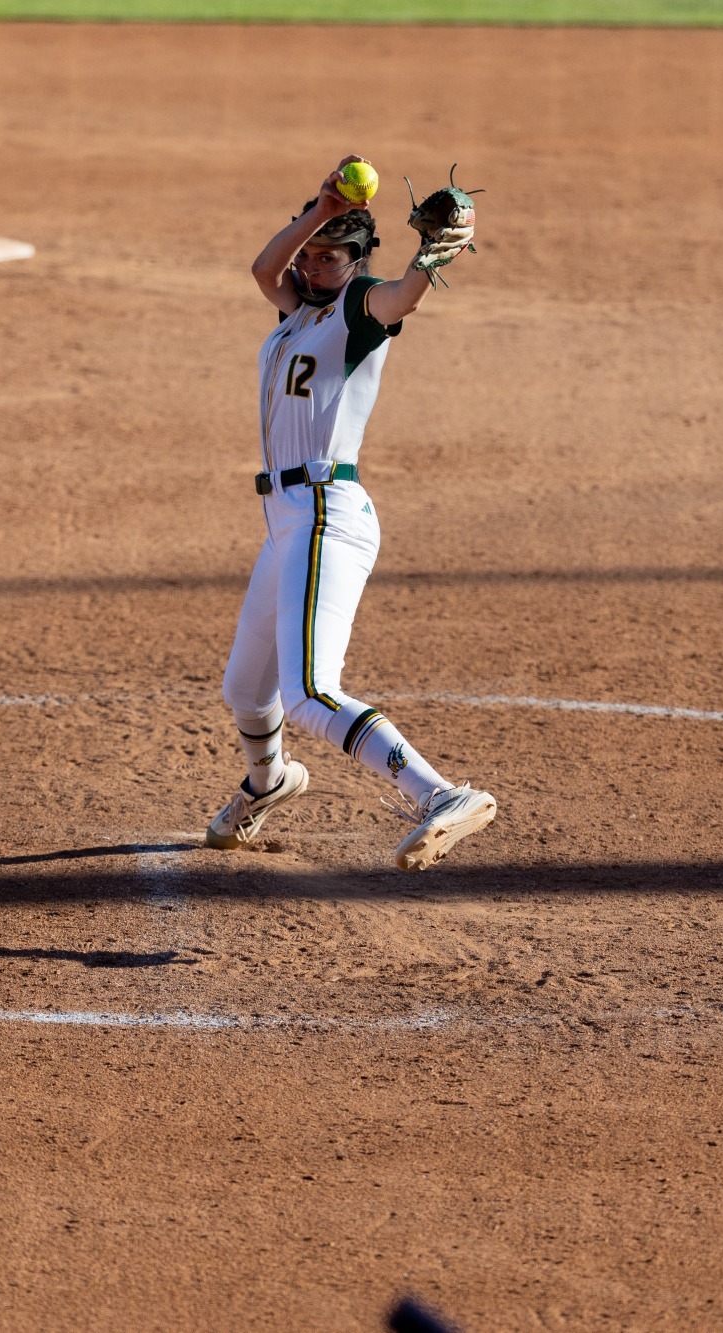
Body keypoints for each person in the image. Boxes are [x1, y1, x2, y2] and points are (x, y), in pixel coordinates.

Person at [203, 156, 497, 872]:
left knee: (308, 692)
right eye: (310, 252)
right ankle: (270, 783)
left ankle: (443, 795)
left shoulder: (359, 308)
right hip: (286, 524)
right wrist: (320, 211)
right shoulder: (294, 309)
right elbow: (261, 269)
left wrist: (426, 260)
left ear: (356, 259)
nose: (312, 262)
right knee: (246, 689)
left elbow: (403, 297)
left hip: (327, 514)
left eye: (330, 254)